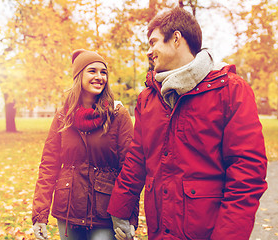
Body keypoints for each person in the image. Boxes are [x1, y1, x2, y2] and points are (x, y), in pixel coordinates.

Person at [107, 7, 268, 240]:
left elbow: (247, 174)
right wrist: (120, 209)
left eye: (153, 43)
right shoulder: (148, 98)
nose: (149, 52)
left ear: (175, 38)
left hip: (207, 231)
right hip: (160, 230)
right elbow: (137, 157)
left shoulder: (231, 90)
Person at [32, 49, 137, 240]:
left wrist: (129, 217)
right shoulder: (63, 116)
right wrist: (40, 214)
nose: (99, 77)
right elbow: (49, 165)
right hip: (68, 211)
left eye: (103, 72)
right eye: (92, 71)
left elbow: (130, 169)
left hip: (105, 213)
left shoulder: (117, 115)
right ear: (79, 75)